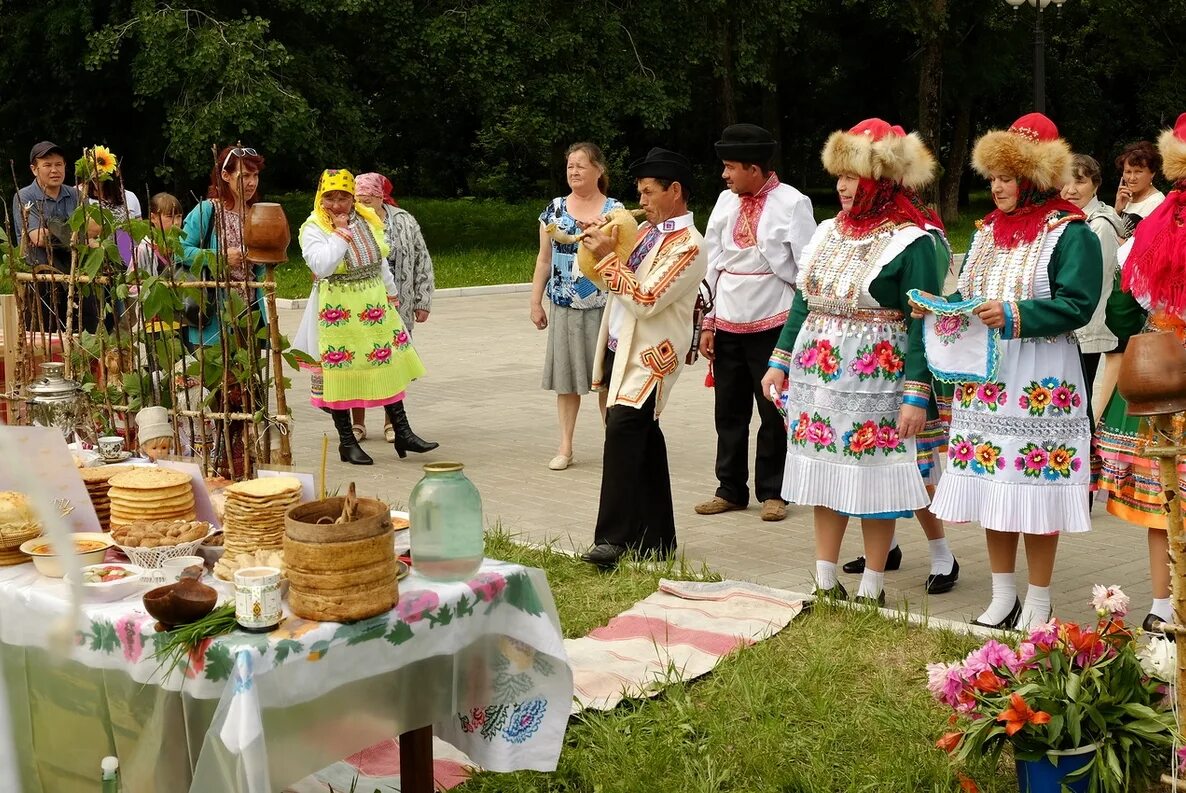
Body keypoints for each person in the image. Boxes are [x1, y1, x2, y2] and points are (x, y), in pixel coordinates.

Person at [918, 113, 1102, 630]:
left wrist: (1019, 314)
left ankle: (1038, 599)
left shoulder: (1070, 231)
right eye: (993, 176)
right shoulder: (986, 233)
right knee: (995, 484)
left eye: (1007, 177)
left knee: (1038, 487)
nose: (997, 186)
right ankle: (1003, 596)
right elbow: (970, 295)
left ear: (1034, 177)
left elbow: (1080, 303)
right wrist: (939, 305)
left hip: (1043, 375)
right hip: (989, 378)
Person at [759, 119, 947, 606]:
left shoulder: (914, 241)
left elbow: (923, 322)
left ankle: (874, 583)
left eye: (855, 175)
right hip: (818, 375)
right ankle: (824, 577)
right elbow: (804, 301)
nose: (843, 185)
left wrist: (915, 393)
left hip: (878, 381)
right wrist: (779, 361)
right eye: (840, 175)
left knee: (876, 477)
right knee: (823, 468)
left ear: (881, 179)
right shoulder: (826, 233)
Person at [578, 147, 708, 567]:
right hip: (622, 344)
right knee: (644, 438)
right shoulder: (650, 232)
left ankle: (612, 539)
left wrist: (607, 256)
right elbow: (607, 279)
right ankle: (657, 538)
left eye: (649, 192)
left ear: (675, 191)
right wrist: (599, 247)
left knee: (622, 428)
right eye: (640, 191)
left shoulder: (688, 244)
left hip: (652, 355)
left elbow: (647, 298)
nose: (642, 200)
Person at [697, 123, 816, 523]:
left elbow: (806, 269)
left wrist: (800, 330)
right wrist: (708, 322)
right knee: (728, 411)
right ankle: (729, 488)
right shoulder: (724, 202)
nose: (724, 174)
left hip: (773, 319)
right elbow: (711, 262)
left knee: (772, 411)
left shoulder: (793, 203)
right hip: (728, 316)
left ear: (754, 167)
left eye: (731, 167)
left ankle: (774, 491)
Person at [1095, 113, 1186, 635]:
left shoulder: (1157, 224)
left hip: (1166, 379)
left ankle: (1162, 603)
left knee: (1163, 496)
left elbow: (1122, 314)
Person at [292, 169, 427, 465]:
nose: (338, 205)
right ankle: (346, 441)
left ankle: (403, 431)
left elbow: (381, 262)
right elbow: (323, 265)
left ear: (353, 198)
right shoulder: (314, 226)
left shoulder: (367, 218)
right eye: (331, 198)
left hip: (373, 303)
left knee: (387, 362)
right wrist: (340, 233)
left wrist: (392, 296)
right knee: (341, 372)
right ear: (321, 198)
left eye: (343, 198)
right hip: (337, 308)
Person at [531, 142, 623, 471]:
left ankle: (613, 446)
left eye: (581, 166)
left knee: (605, 380)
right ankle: (565, 447)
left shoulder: (615, 211)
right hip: (563, 305)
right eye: (570, 166)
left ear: (599, 170)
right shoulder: (554, 210)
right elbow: (544, 259)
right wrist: (535, 301)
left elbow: (625, 257)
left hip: (604, 306)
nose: (574, 172)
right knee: (567, 380)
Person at [351, 172, 437, 451]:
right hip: (361, 305)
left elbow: (421, 260)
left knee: (395, 364)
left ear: (380, 197)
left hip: (399, 305)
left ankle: (391, 422)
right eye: (357, 199)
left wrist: (422, 300)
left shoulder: (403, 220)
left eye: (367, 199)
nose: (362, 204)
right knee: (360, 363)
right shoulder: (349, 221)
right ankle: (358, 421)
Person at [179, 145, 267, 349]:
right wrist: (218, 257)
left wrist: (262, 258)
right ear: (226, 175)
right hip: (214, 310)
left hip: (250, 310)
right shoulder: (207, 210)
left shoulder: (255, 213)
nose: (252, 182)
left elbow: (260, 270)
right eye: (244, 176)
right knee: (219, 377)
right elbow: (179, 250)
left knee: (248, 378)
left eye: (255, 175)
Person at [1061, 154, 1125, 407]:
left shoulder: (1099, 225)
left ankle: (1086, 446)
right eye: (1066, 182)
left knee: (1078, 401)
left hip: (1086, 325)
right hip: (1069, 323)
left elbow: (1096, 281)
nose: (1071, 190)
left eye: (1080, 182)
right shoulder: (1070, 219)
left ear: (1096, 185)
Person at [12, 140, 89, 332]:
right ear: (34, 169)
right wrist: (76, 235)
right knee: (45, 335)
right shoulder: (24, 196)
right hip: (42, 278)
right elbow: (38, 238)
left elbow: (94, 231)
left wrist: (56, 230)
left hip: (76, 274)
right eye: (47, 165)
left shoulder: (76, 195)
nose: (54, 170)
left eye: (58, 164)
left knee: (83, 332)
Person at [1114, 140, 1165, 235]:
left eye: (1138, 172)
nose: (1132, 178)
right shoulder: (1126, 198)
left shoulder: (1157, 203)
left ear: (1152, 173)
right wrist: (1117, 209)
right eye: (1128, 172)